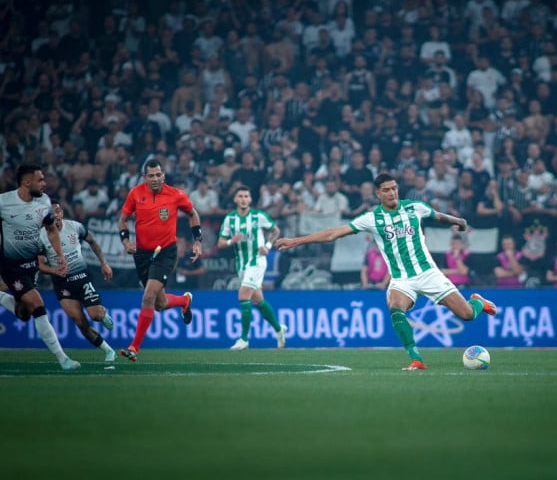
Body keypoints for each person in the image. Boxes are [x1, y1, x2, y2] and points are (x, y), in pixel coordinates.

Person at [275, 173, 497, 371]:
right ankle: (416, 358)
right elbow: (334, 233)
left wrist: (457, 221)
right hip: (401, 279)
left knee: (467, 314)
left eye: (394, 188)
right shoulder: (372, 218)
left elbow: (437, 215)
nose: (392, 193)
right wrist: (296, 241)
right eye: (386, 190)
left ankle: (478, 302)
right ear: (377, 194)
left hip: (429, 273)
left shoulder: (414, 207)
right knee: (395, 307)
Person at [117, 158, 202, 362]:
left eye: (158, 174)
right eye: (151, 175)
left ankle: (134, 347)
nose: (155, 179)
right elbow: (122, 220)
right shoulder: (135, 193)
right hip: (143, 254)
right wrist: (126, 241)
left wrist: (197, 241)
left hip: (165, 252)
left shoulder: (176, 195)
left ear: (163, 175)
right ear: (144, 177)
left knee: (147, 297)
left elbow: (192, 213)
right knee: (159, 303)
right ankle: (184, 300)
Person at [0, 163, 80, 370]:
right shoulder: (4, 202)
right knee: (38, 306)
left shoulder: (44, 202)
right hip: (10, 266)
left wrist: (60, 256)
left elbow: (51, 230)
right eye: (40, 180)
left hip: (31, 265)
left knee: (23, 313)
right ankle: (63, 359)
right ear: (27, 182)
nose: (45, 183)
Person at [37, 200, 117, 362]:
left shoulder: (75, 227)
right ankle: (108, 351)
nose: (55, 215)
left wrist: (104, 263)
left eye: (57, 211)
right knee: (80, 322)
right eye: (51, 213)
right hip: (62, 283)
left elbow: (93, 241)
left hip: (82, 278)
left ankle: (103, 315)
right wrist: (54, 270)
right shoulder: (41, 237)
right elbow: (39, 265)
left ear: (62, 214)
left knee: (95, 316)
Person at [217, 186, 287, 351]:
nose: (243, 199)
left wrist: (268, 245)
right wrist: (230, 241)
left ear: (250, 200)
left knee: (243, 294)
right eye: (240, 196)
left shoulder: (258, 216)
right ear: (235, 199)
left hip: (257, 260)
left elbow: (276, 230)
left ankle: (244, 339)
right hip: (242, 264)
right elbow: (220, 243)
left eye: (246, 196)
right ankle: (279, 329)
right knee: (258, 301)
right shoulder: (230, 219)